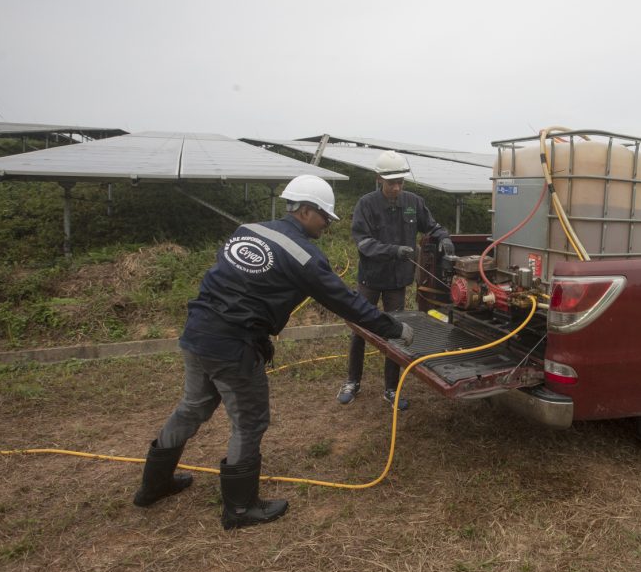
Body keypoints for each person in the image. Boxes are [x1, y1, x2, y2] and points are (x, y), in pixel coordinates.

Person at [132, 175, 413, 530]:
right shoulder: (304, 257)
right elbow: (347, 303)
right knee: (249, 422)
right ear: (306, 211)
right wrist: (392, 327)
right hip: (233, 347)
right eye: (325, 216)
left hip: (197, 332)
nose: (327, 225)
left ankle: (153, 486)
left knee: (192, 407)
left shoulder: (247, 230)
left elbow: (234, 283)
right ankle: (239, 508)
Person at [338, 151, 454, 410]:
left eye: (400, 181)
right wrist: (393, 250)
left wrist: (443, 237)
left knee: (395, 332)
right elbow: (364, 243)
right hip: (370, 279)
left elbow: (432, 226)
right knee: (360, 330)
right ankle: (352, 382)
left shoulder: (413, 202)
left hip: (398, 281)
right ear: (378, 178)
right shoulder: (366, 205)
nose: (397, 187)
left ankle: (391, 388)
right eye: (391, 182)